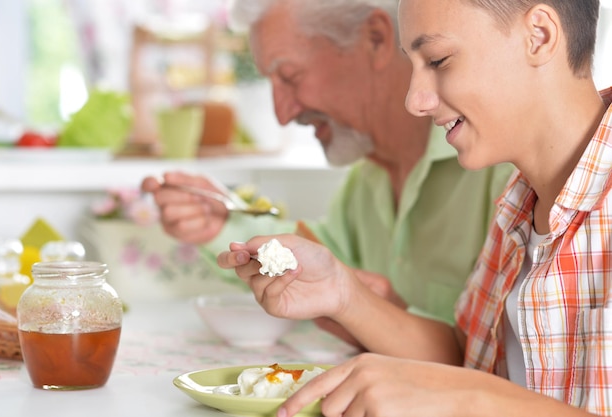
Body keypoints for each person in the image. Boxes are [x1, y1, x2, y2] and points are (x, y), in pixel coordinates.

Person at [217, 0, 612, 416]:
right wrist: (343, 294)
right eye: (413, 66)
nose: (415, 101)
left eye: (439, 60)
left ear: (540, 36)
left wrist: (468, 399)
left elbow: (476, 390)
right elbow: (470, 357)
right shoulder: (518, 204)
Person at [142, 0, 513, 343]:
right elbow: (323, 260)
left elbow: (504, 366)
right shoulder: (366, 180)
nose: (281, 114)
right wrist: (221, 226)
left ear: (376, 39)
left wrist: (380, 319)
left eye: (289, 76)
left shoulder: (506, 172)